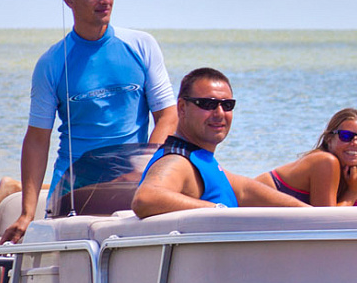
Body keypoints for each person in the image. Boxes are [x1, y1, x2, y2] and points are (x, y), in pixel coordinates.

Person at [2, 0, 176, 242]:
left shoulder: (141, 45)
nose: (105, 0)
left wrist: (147, 166)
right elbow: (36, 139)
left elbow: (168, 116)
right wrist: (26, 213)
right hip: (75, 186)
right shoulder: (52, 63)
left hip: (132, 179)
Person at [132, 69, 308, 217]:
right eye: (208, 104)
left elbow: (245, 189)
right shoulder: (177, 161)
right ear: (182, 108)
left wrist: (309, 213)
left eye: (227, 105)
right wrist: (220, 212)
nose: (219, 113)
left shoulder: (201, 161)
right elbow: (145, 198)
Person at [261, 108, 357, 206]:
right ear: (329, 139)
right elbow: (327, 223)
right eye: (346, 136)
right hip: (244, 210)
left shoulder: (352, 177)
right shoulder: (326, 162)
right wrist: (352, 193)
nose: (356, 143)